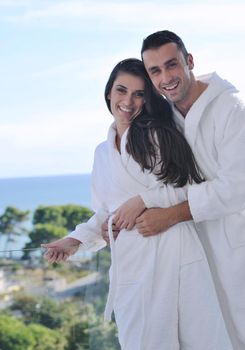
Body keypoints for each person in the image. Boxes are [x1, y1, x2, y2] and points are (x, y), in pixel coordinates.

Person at [42, 58, 232, 349]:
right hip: (131, 263)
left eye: (139, 93)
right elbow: (107, 211)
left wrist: (143, 200)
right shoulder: (102, 153)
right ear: (109, 93)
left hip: (174, 252)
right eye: (121, 90)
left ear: (148, 99)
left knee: (198, 338)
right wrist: (74, 240)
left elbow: (188, 187)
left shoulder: (157, 137)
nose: (128, 101)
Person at [127, 30, 245, 349]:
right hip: (194, 253)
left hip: (237, 245)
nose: (166, 77)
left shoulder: (231, 109)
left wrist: (172, 216)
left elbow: (236, 188)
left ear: (188, 61)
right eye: (155, 71)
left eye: (172, 65)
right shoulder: (167, 118)